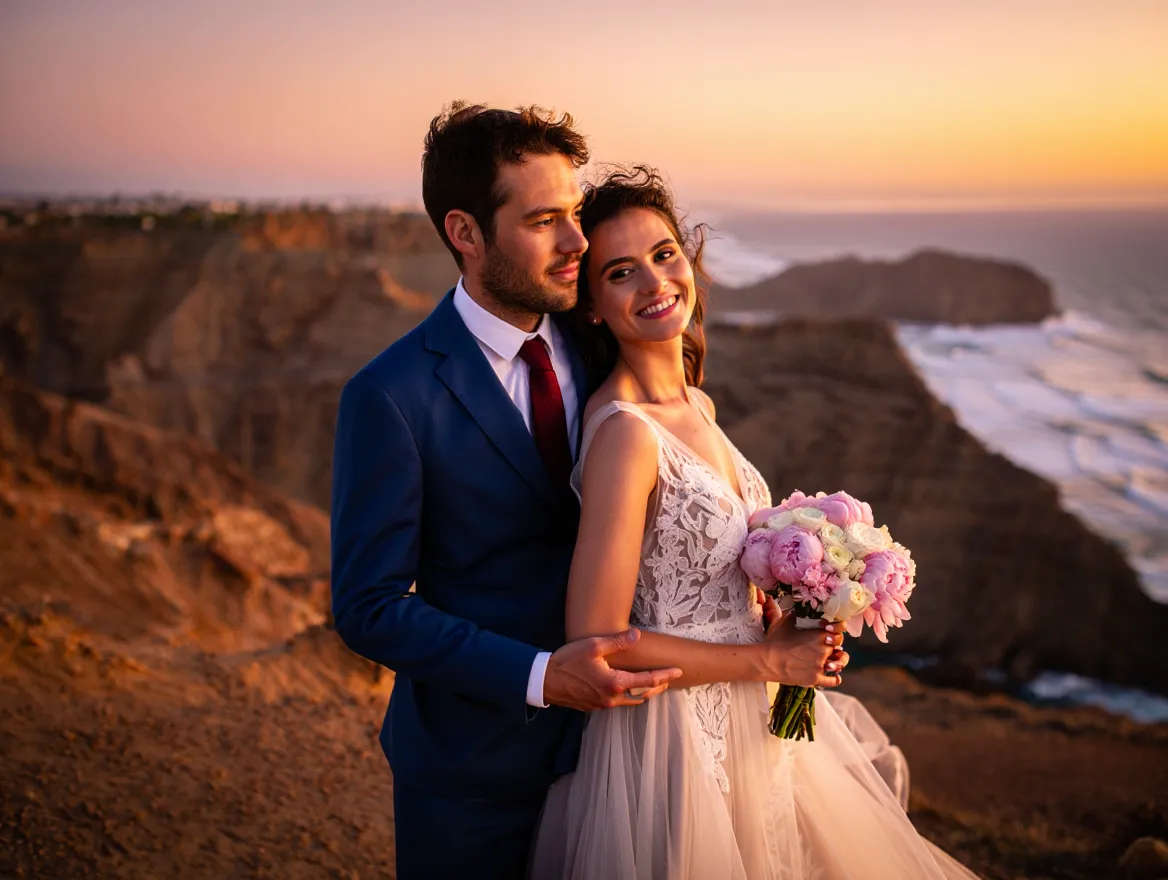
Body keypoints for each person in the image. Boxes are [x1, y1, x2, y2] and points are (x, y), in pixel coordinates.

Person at [528, 166, 980, 879]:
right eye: (621, 272)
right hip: (672, 740)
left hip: (751, 714)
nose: (654, 283)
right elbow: (596, 640)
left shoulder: (697, 407)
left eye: (664, 254)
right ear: (591, 304)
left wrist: (787, 614)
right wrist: (768, 661)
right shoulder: (624, 433)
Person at [329, 105, 685, 880]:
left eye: (576, 215)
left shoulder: (598, 339)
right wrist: (537, 674)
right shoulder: (390, 394)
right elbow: (369, 606)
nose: (577, 244)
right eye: (544, 221)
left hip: (623, 753)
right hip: (474, 773)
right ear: (465, 231)